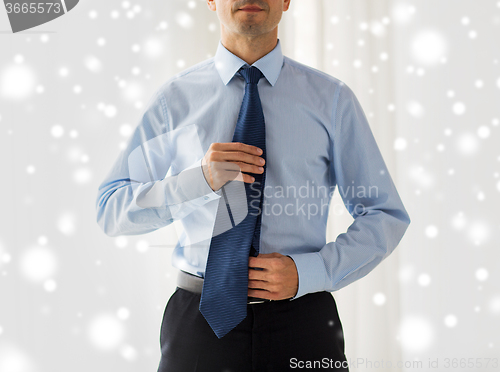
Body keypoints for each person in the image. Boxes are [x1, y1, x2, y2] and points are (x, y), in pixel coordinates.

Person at [95, 0, 411, 370]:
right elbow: (111, 210)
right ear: (211, 0)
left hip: (304, 322)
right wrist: (197, 181)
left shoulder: (333, 101)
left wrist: (310, 271)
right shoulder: (173, 101)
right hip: (199, 326)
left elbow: (384, 214)